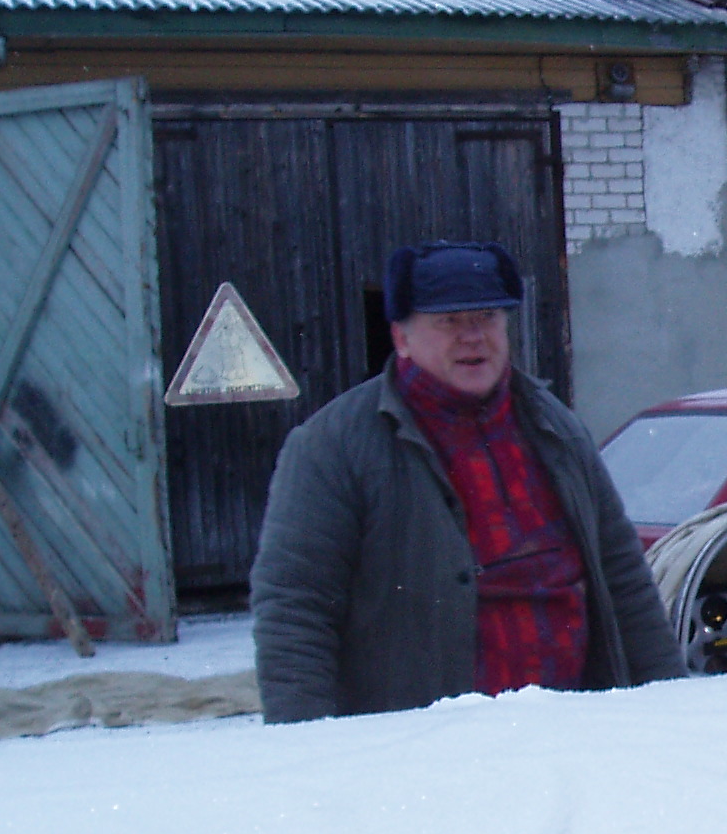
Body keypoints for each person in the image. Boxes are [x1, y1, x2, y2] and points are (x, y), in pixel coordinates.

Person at [250, 240, 683, 723]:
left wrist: (670, 708)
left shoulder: (557, 431)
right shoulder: (332, 447)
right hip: (424, 752)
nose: (473, 336)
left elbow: (624, 581)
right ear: (402, 337)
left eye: (487, 318)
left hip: (572, 735)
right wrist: (308, 745)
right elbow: (294, 611)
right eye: (449, 321)